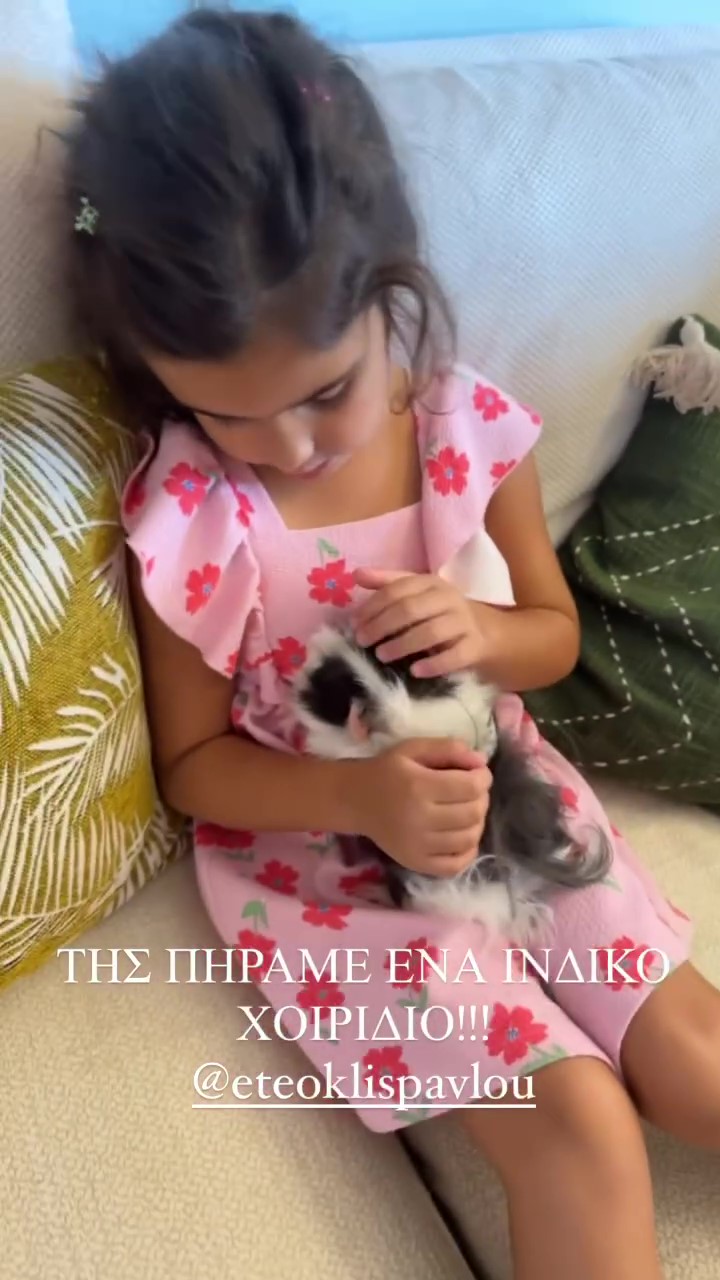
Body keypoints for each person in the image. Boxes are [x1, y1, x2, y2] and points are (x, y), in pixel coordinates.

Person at [62, 10, 719, 1278]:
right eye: (230, 415)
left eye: (327, 390)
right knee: (580, 1125)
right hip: (327, 868)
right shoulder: (195, 515)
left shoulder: (465, 436)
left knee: (694, 1063)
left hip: (506, 794)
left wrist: (486, 628)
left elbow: (550, 638)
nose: (293, 446)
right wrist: (361, 797)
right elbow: (194, 768)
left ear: (390, 293)